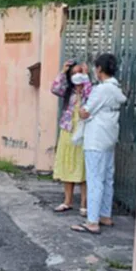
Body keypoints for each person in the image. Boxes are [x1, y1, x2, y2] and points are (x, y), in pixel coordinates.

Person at [71, 53, 126, 235]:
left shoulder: (101, 90)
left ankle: (92, 221)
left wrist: (81, 108)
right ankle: (105, 215)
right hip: (110, 136)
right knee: (107, 177)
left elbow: (85, 112)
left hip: (96, 138)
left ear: (100, 69)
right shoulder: (116, 89)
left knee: (94, 178)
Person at [51, 59, 92, 216]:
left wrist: (86, 78)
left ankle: (84, 204)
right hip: (68, 130)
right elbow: (55, 88)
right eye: (73, 73)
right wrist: (63, 72)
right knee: (68, 163)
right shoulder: (68, 91)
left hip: (84, 131)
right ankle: (67, 201)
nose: (77, 76)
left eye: (79, 72)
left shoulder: (89, 89)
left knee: (83, 166)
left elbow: (90, 96)